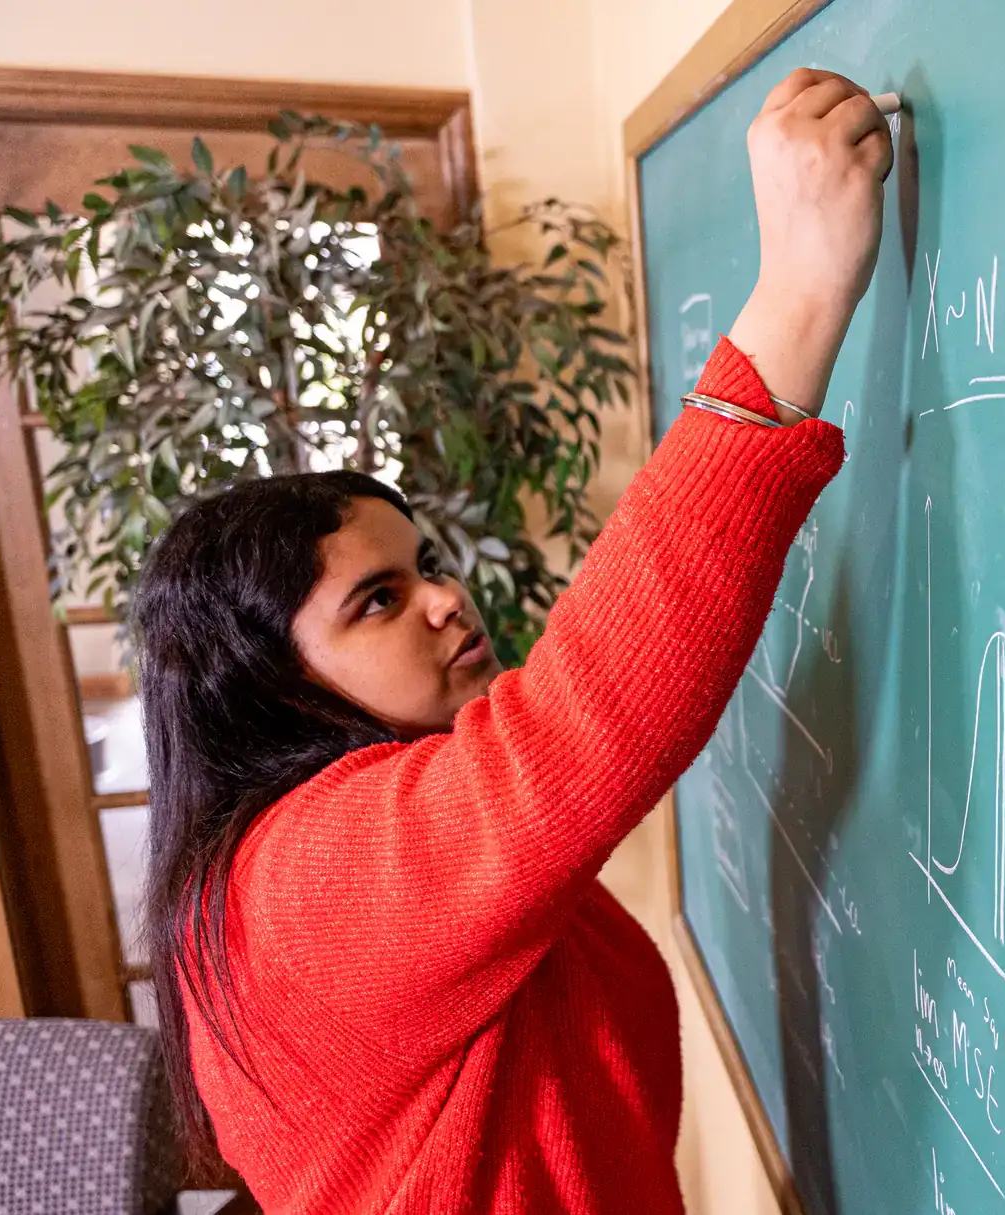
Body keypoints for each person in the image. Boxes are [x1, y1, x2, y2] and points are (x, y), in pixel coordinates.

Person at [134, 68, 892, 1213]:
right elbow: (580, 726)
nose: (446, 600)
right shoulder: (299, 886)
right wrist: (798, 288)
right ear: (266, 682)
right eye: (377, 601)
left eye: (425, 566)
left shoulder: (310, 842)